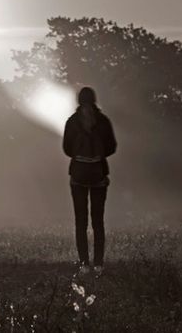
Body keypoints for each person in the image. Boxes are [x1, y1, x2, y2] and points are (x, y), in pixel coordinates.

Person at [62, 86, 116, 274]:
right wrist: (97, 155)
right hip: (98, 174)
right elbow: (112, 147)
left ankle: (84, 263)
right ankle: (99, 263)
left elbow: (67, 149)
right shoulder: (103, 121)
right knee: (98, 221)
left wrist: (80, 156)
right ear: (94, 99)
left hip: (77, 175)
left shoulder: (72, 122)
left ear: (78, 100)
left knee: (81, 221)